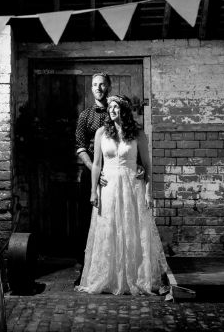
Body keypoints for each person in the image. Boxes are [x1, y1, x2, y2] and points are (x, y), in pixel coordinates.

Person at [75, 95, 170, 295]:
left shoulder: (137, 134)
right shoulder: (102, 132)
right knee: (109, 228)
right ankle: (109, 278)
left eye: (116, 107)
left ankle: (135, 277)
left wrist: (148, 191)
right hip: (108, 186)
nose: (112, 110)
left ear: (124, 110)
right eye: (110, 107)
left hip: (131, 185)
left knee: (132, 228)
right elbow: (97, 164)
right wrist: (93, 191)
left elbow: (147, 165)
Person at [74, 74, 144, 285]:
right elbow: (79, 145)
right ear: (91, 89)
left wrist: (138, 164)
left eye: (102, 84)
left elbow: (133, 145)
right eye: (95, 85)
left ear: (109, 87)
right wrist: (95, 170)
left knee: (123, 219)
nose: (98, 88)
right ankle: (88, 269)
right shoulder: (86, 116)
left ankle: (125, 268)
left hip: (120, 171)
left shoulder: (120, 111)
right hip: (95, 171)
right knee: (90, 221)